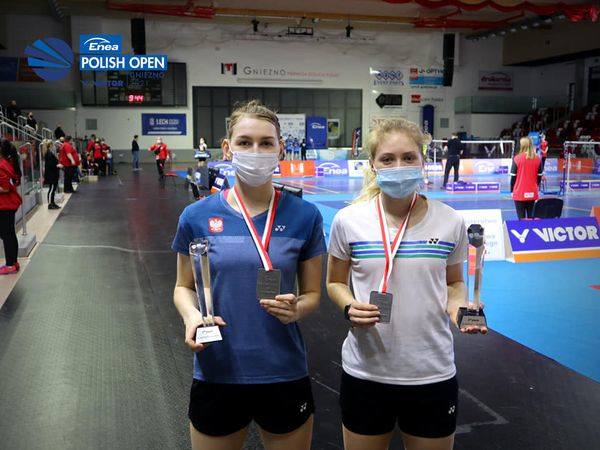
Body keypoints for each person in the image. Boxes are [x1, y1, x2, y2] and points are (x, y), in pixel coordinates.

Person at [172, 100, 325, 450]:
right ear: (227, 148)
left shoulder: (306, 216)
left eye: (266, 143)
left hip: (283, 370)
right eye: (245, 142)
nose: (255, 151)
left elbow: (313, 295)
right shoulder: (196, 216)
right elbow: (182, 286)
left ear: (280, 149)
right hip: (217, 369)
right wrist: (192, 316)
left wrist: (297, 309)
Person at [327, 118, 486, 450]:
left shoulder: (450, 221)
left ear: (422, 161)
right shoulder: (348, 221)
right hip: (365, 373)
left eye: (408, 157)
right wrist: (349, 305)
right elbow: (335, 282)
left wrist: (460, 309)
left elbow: (454, 283)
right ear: (373, 165)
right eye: (387, 159)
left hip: (432, 373)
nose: (399, 166)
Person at [0, 140, 22, 275]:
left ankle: (10, 264)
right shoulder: (7, 164)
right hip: (9, 204)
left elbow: (5, 188)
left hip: (5, 205)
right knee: (10, 234)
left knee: (7, 235)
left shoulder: (2, 165)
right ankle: (13, 263)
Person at [511, 137, 542, 220]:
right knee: (532, 219)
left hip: (519, 193)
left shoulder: (517, 158)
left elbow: (513, 178)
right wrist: (535, 187)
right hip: (533, 193)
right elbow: (539, 177)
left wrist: (511, 191)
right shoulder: (538, 159)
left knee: (522, 220)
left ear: (522, 145)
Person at [43, 139, 61, 209]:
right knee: (51, 189)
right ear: (50, 145)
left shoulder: (49, 153)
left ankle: (52, 202)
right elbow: (51, 165)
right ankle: (50, 204)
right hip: (51, 175)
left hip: (52, 174)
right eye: (52, 144)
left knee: (52, 189)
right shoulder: (49, 154)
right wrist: (57, 165)